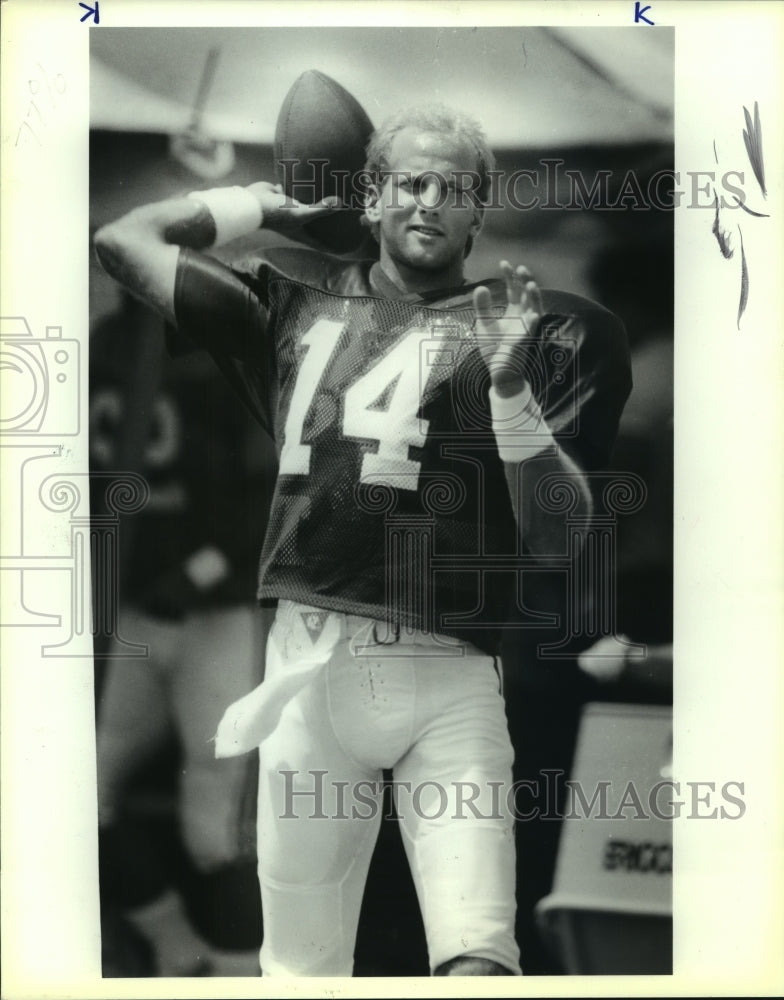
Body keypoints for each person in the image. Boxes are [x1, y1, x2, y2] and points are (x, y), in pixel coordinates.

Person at [94, 103, 631, 977]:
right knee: (299, 971)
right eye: (407, 183)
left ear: (479, 211)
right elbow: (124, 239)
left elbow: (559, 538)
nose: (428, 202)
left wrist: (508, 396)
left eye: (452, 189)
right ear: (372, 198)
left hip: (450, 671)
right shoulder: (289, 309)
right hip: (308, 672)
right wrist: (261, 205)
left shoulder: (537, 331)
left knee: (481, 957)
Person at [90, 300, 275, 975]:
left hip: (215, 618)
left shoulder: (215, 349)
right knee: (81, 794)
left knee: (212, 828)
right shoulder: (105, 343)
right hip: (136, 611)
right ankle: (176, 950)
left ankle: (238, 977)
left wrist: (194, 575)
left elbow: (266, 501)